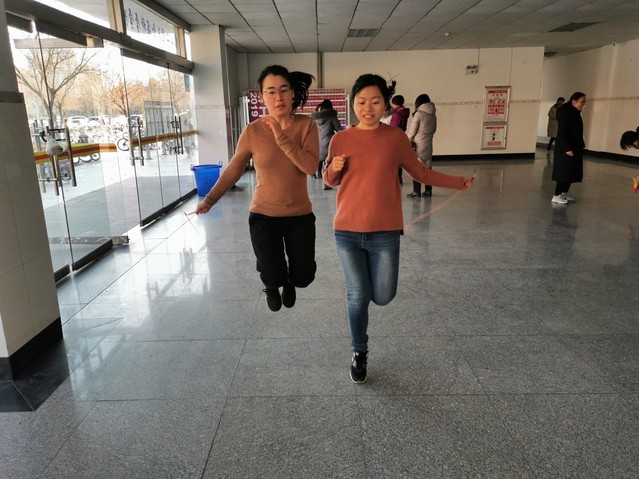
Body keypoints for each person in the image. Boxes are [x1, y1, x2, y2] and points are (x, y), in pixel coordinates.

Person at [322, 73, 474, 384]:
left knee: (383, 295)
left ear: (385, 105)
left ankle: (360, 292)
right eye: (361, 102)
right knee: (357, 295)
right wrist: (332, 169)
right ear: (353, 104)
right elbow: (329, 180)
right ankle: (359, 351)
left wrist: (457, 182)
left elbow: (421, 173)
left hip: (385, 233)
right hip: (347, 231)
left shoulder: (395, 138)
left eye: (375, 101)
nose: (367, 108)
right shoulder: (341, 139)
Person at [195, 65, 319, 312]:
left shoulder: (307, 125)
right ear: (262, 97)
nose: (278, 97)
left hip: (299, 216)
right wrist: (209, 200)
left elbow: (309, 166)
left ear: (292, 93)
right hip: (263, 215)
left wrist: (280, 136)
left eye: (283, 90)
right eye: (271, 92)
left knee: (304, 276)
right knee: (272, 273)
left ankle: (290, 281)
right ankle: (272, 285)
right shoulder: (252, 131)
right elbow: (233, 170)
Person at [551, 91, 586, 205]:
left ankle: (564, 193)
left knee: (572, 172)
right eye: (581, 102)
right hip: (566, 147)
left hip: (575, 146)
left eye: (584, 102)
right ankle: (556, 195)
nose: (583, 104)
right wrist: (567, 148)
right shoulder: (566, 113)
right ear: (574, 102)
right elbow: (563, 132)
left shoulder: (574, 112)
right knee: (564, 172)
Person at [406, 93, 437, 197]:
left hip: (418, 144)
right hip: (428, 142)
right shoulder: (433, 114)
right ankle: (428, 191)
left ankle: (416, 191)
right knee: (428, 167)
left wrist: (408, 139)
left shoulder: (419, 114)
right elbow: (434, 129)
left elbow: (412, 130)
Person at [311, 99, 342, 190]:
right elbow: (339, 129)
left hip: (317, 142)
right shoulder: (331, 116)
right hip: (328, 142)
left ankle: (318, 174)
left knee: (320, 158)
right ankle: (327, 182)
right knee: (328, 162)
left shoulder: (315, 118)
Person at [389, 95, 410, 185]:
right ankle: (399, 178)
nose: (392, 106)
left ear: (396, 105)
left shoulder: (397, 114)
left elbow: (393, 128)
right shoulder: (404, 112)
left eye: (393, 104)